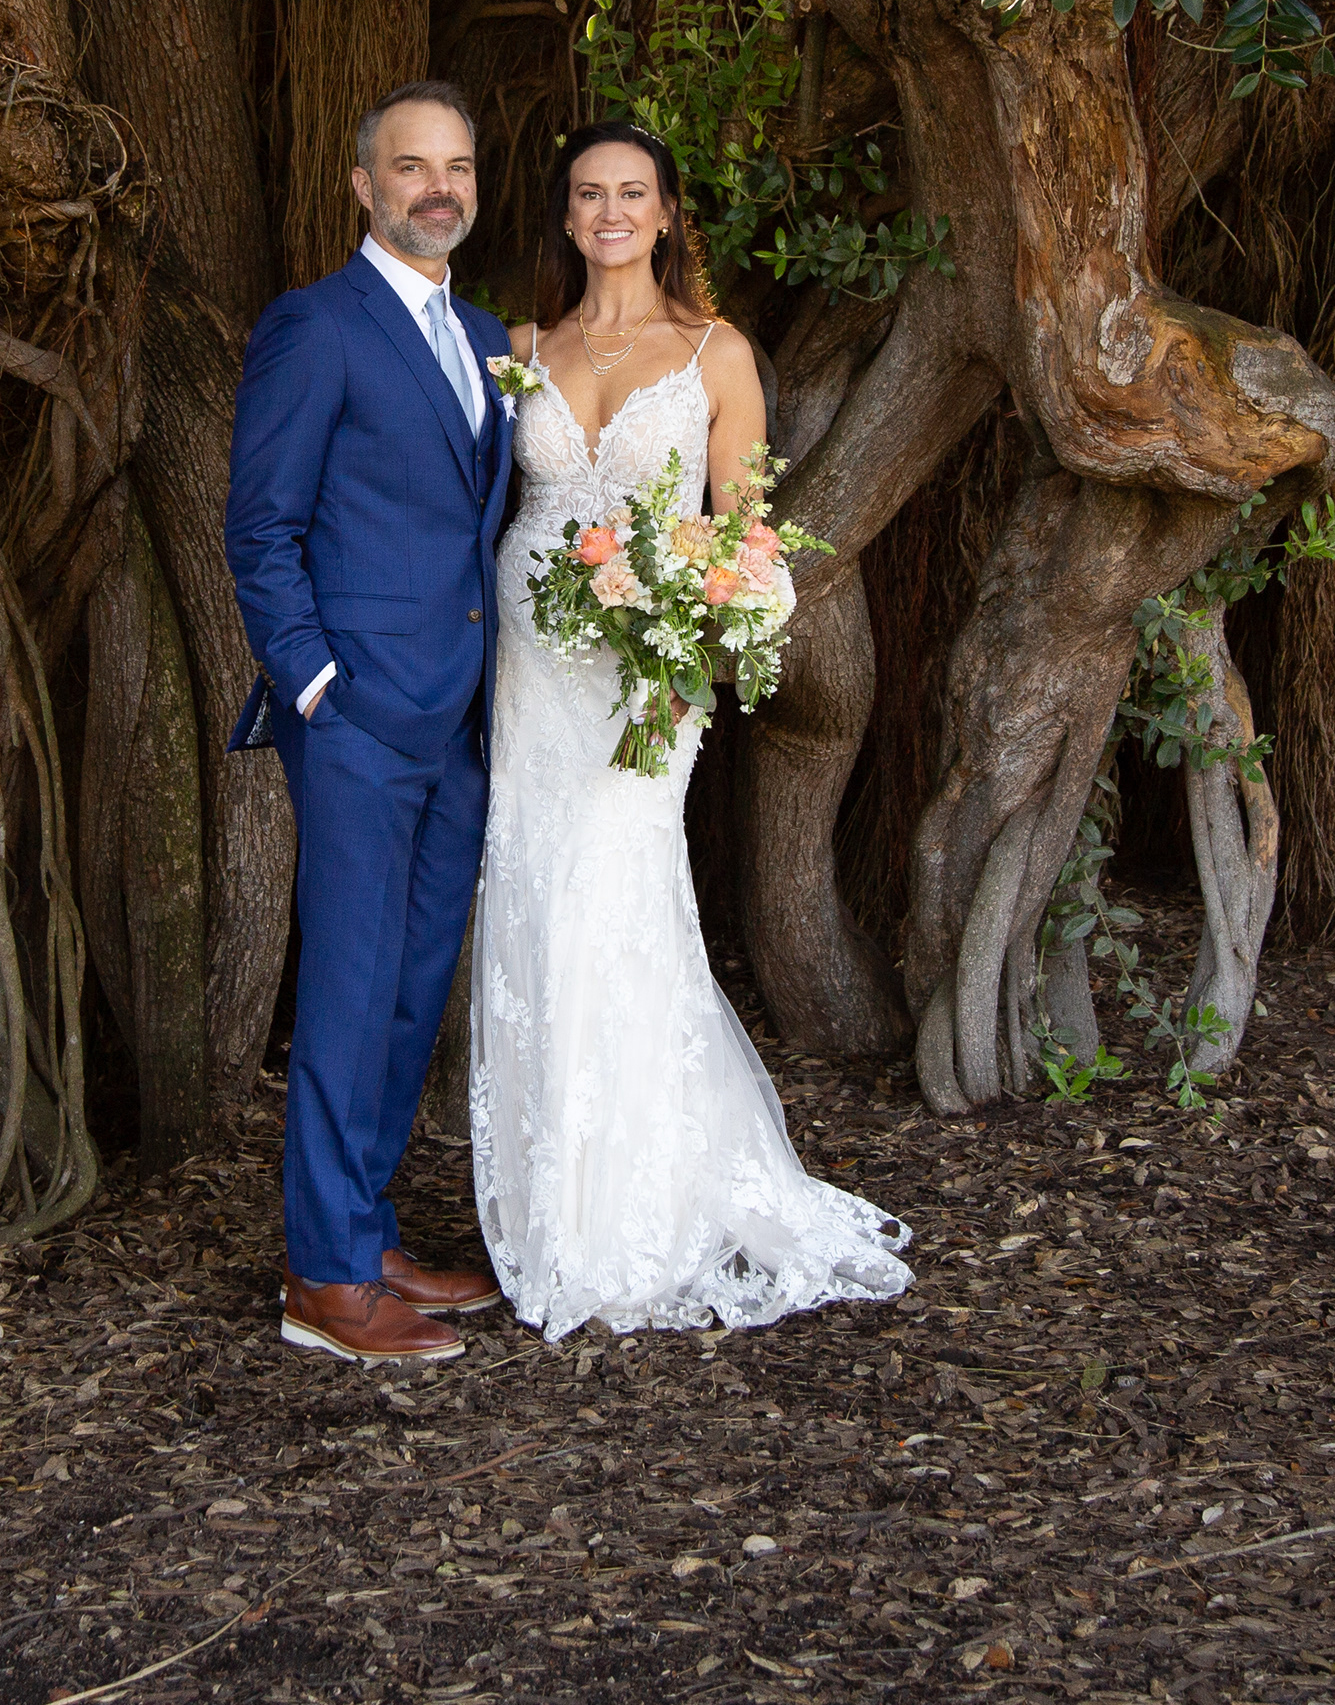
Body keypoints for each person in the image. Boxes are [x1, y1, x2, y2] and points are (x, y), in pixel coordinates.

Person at [469, 121, 911, 1337]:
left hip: (645, 680)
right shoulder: (517, 351)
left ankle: (638, 1203)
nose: (611, 211)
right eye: (588, 193)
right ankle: (552, 1198)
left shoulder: (718, 354)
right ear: (566, 216)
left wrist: (692, 653)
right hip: (533, 670)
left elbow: (746, 534)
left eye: (634, 192)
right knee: (536, 900)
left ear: (667, 213)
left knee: (618, 899)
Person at [223, 80, 517, 1363]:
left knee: (408, 991)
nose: (436, 187)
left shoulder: (491, 334)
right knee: (346, 990)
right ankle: (323, 1282)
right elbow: (261, 526)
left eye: (454, 166)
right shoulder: (317, 326)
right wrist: (314, 686)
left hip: (461, 719)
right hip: (355, 716)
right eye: (410, 167)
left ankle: (367, 1226)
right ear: (364, 185)